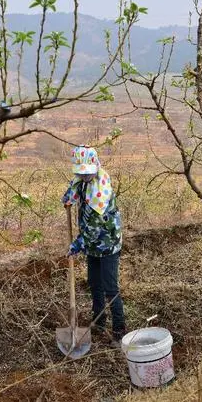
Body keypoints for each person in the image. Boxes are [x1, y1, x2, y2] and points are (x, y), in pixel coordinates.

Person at [62, 145, 126, 344]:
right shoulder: (82, 180)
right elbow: (74, 189)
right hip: (92, 245)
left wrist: (77, 245)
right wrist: (68, 199)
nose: (85, 176)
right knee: (94, 283)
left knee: (110, 287)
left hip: (107, 244)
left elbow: (93, 228)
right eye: (82, 173)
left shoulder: (100, 191)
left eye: (88, 173)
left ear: (95, 167)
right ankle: (99, 321)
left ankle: (119, 329)